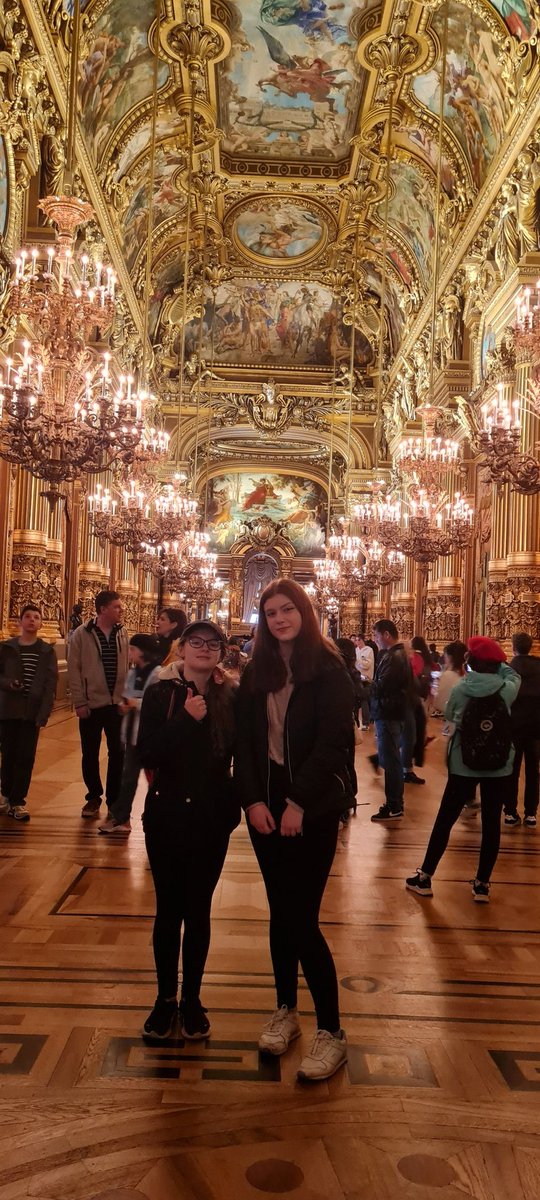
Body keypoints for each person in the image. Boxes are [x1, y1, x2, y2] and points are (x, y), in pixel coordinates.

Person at [235, 579, 354, 1082]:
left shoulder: (327, 669)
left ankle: (333, 1032)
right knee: (281, 912)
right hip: (266, 803)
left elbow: (334, 744)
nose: (280, 618)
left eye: (288, 609)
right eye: (270, 611)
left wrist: (298, 802)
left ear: (304, 612)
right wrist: (253, 800)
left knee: (301, 917)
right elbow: (244, 743)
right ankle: (286, 1008)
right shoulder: (256, 672)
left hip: (314, 806)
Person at [138, 619, 239, 1040]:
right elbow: (146, 752)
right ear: (181, 649)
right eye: (195, 642)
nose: (202, 648)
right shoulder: (160, 693)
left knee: (198, 912)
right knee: (168, 911)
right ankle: (165, 999)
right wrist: (184, 718)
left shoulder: (232, 698)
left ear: (220, 651)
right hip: (166, 817)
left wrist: (234, 809)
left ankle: (192, 999)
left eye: (211, 643)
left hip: (210, 820)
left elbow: (241, 755)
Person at [406, 636, 521, 903]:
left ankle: (425, 877)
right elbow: (512, 672)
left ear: (471, 662)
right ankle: (482, 884)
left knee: (445, 819)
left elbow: (448, 715)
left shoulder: (460, 689)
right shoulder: (507, 689)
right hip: (499, 764)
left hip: (463, 764)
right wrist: (499, 663)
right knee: (492, 825)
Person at [67, 590, 129, 819]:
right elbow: (74, 670)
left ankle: (114, 800)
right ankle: (93, 796)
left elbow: (126, 667)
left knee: (118, 753)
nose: (121, 610)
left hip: (117, 704)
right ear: (103, 609)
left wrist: (125, 697)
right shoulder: (82, 634)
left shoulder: (123, 632)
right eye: (117, 607)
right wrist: (80, 701)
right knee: (90, 752)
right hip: (92, 704)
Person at [98, 634, 161, 836]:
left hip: (149, 736)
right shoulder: (134, 673)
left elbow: (157, 703)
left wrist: (136, 704)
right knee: (128, 779)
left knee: (156, 781)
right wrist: (124, 706)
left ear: (143, 651)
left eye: (133, 649)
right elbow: (127, 696)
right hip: (132, 734)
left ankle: (156, 817)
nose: (130, 653)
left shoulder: (158, 673)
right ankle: (122, 818)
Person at [0, 605, 58, 822]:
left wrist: (43, 714)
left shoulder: (46, 651)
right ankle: (5, 795)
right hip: (9, 710)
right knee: (8, 755)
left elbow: (50, 684)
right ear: (20, 622)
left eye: (36, 617)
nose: (32, 620)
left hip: (31, 712)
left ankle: (18, 801)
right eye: (28, 616)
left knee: (26, 757)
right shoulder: (6, 648)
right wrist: (8, 683)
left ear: (41, 623)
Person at [369, 619, 414, 821]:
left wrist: (366, 685)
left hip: (389, 712)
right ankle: (395, 803)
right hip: (392, 711)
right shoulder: (395, 655)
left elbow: (382, 686)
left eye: (377, 636)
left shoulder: (394, 657)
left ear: (386, 634)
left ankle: (394, 805)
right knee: (390, 758)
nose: (376, 640)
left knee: (391, 760)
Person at [504, 632, 540, 827]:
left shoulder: (509, 669)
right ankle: (531, 814)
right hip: (535, 728)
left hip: (513, 727)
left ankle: (510, 812)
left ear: (513, 646)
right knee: (534, 771)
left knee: (511, 770)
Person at [436, 640, 467, 729]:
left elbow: (439, 703)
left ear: (449, 657)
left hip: (452, 723)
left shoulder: (446, 676)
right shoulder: (469, 676)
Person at [354, 634, 374, 729]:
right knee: (358, 700)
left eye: (358, 640)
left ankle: (366, 723)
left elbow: (367, 665)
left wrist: (357, 660)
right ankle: (357, 721)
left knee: (364, 700)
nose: (357, 642)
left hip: (366, 678)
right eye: (356, 640)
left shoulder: (369, 650)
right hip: (357, 677)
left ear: (362, 640)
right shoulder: (356, 650)